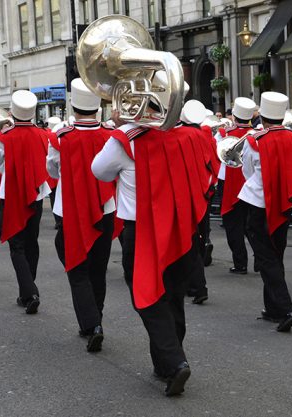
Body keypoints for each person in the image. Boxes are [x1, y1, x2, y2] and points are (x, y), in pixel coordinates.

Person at [92, 71, 213, 396]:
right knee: (173, 294)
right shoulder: (188, 135)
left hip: (141, 229)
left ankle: (174, 362)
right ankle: (165, 363)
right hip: (180, 226)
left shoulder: (126, 139)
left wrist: (122, 124)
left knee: (146, 296)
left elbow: (98, 171)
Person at [47, 78, 116, 352]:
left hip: (70, 209)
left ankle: (92, 323)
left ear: (73, 106)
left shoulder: (61, 137)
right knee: (98, 268)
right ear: (98, 107)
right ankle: (95, 317)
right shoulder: (110, 136)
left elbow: (52, 170)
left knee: (77, 267)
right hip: (105, 207)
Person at [238, 92, 292, 332]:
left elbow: (247, 171)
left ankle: (285, 308)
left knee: (266, 258)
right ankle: (273, 307)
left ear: (262, 116)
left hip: (258, 203)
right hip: (285, 201)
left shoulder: (255, 139)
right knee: (276, 252)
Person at [0, 90, 51, 314]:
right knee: (32, 243)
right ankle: (28, 288)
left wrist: (2, 139)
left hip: (11, 194)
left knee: (17, 246)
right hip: (36, 192)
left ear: (13, 113)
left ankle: (29, 291)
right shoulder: (44, 134)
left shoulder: (6, 137)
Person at [179, 99, 220, 303]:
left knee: (188, 242)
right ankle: (196, 284)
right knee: (198, 237)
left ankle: (196, 285)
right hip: (203, 192)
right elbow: (212, 164)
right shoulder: (206, 136)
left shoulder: (179, 135)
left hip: (184, 196)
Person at [218, 97, 256, 275]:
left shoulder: (223, 133)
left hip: (230, 184)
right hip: (252, 183)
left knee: (233, 225)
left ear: (234, 116)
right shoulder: (257, 134)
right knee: (252, 224)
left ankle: (240, 263)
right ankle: (260, 258)